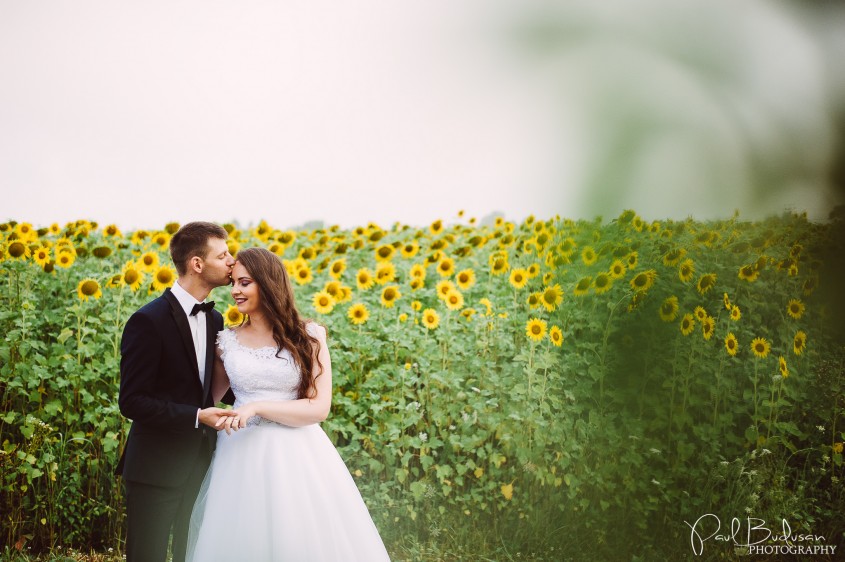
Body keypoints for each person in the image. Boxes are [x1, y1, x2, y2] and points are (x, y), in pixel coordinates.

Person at [186, 247, 390, 561]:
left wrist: (256, 408)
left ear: (268, 284)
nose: (236, 292)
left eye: (245, 283)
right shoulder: (226, 342)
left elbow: (318, 408)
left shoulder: (310, 337)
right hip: (240, 456)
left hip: (299, 453)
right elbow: (206, 399)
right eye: (234, 284)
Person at [116, 221, 237, 562]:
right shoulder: (148, 321)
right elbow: (133, 401)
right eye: (223, 254)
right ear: (197, 264)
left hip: (201, 463)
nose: (231, 261)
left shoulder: (215, 320)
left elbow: (209, 388)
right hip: (155, 466)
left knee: (192, 553)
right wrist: (197, 416)